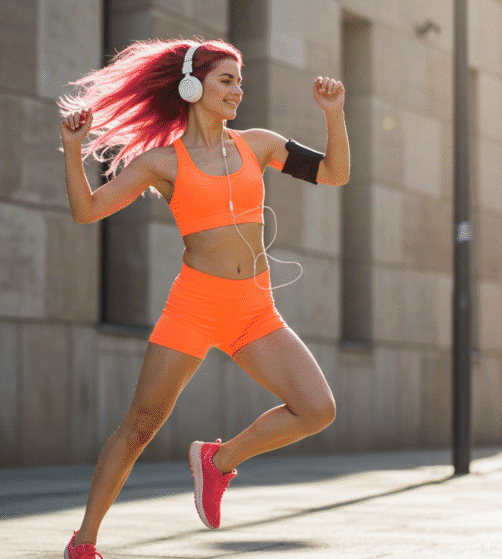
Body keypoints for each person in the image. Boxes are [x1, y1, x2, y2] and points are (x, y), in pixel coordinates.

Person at [58, 38, 349, 559]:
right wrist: (72, 151)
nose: (238, 91)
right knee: (141, 425)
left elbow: (333, 173)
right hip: (195, 307)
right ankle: (84, 542)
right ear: (192, 86)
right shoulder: (161, 163)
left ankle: (217, 462)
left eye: (240, 81)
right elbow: (87, 211)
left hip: (255, 309)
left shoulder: (258, 145)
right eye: (227, 80)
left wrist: (333, 114)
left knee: (317, 409)